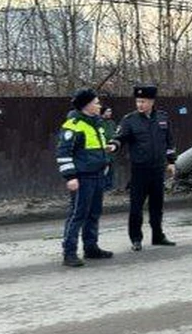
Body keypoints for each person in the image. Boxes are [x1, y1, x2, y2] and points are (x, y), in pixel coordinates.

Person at [107, 84, 177, 250]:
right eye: (138, 101)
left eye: (143, 101)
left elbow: (169, 142)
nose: (140, 104)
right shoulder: (129, 120)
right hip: (140, 170)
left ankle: (158, 236)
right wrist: (113, 146)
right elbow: (119, 137)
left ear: (152, 101)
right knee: (136, 207)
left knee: (157, 206)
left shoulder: (162, 118)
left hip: (158, 169)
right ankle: (136, 239)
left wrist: (171, 161)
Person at [56, 87, 113, 267]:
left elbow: (98, 149)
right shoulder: (72, 126)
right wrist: (70, 177)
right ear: (86, 105)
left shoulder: (96, 123)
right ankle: (69, 252)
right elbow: (63, 153)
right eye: (96, 103)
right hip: (82, 177)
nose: (99, 106)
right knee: (77, 214)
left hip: (97, 175)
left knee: (94, 213)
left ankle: (91, 247)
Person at [100, 105, 118, 191]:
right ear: (103, 112)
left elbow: (116, 133)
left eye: (110, 111)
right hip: (103, 149)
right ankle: (102, 187)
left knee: (111, 168)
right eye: (108, 111)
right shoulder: (99, 122)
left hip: (112, 149)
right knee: (104, 168)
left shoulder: (112, 123)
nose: (110, 113)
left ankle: (109, 187)